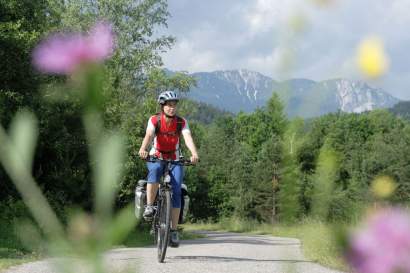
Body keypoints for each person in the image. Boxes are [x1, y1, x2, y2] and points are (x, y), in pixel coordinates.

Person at [138, 90, 199, 247]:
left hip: (174, 158)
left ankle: (173, 230)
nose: (172, 108)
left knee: (177, 190)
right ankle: (150, 206)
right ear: (162, 106)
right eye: (169, 105)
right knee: (155, 171)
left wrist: (193, 153)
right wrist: (143, 148)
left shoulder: (181, 122)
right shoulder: (154, 120)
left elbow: (187, 138)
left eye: (174, 105)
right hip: (156, 156)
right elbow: (149, 135)